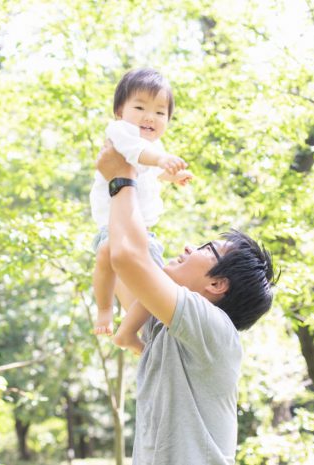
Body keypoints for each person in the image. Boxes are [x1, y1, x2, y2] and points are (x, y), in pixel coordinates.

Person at [96, 142, 276, 464]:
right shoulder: (168, 329)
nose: (189, 247)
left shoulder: (214, 330)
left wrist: (121, 180)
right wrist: (136, 176)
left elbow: (127, 259)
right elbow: (124, 256)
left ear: (217, 284)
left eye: (207, 248)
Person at [90, 68, 193, 350]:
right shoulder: (121, 133)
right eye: (140, 107)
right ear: (119, 111)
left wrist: (170, 175)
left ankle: (128, 334)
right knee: (107, 257)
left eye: (160, 112)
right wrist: (163, 160)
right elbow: (138, 155)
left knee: (154, 291)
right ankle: (104, 309)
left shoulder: (152, 146)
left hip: (144, 233)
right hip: (115, 229)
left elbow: (146, 171)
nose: (150, 117)